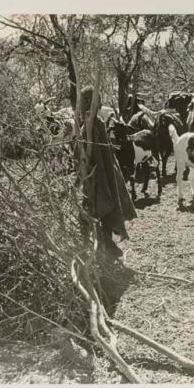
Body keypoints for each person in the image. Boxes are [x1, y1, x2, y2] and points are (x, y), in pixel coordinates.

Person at [77, 86, 137, 259]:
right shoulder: (90, 126)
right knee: (100, 204)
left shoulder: (96, 124)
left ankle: (106, 241)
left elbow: (104, 153)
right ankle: (102, 243)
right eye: (98, 101)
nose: (101, 104)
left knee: (106, 204)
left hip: (107, 172)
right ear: (90, 103)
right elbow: (86, 153)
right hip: (98, 175)